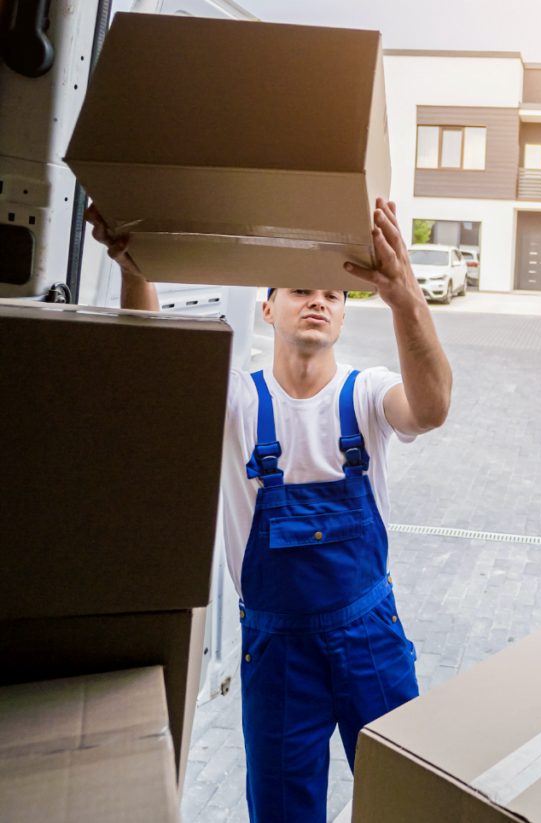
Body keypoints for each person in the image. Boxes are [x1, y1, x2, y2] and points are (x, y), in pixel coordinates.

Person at [86, 199, 452, 821]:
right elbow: (155, 380)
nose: (319, 301)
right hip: (277, 653)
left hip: (370, 640)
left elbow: (433, 406)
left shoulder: (365, 395)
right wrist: (135, 269)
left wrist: (404, 297)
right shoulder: (235, 402)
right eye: (301, 290)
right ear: (267, 309)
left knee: (405, 801)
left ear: (341, 316)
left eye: (333, 296)